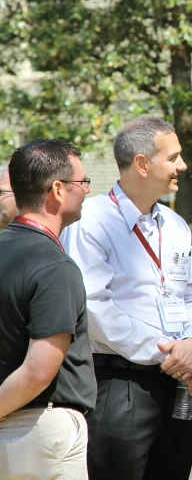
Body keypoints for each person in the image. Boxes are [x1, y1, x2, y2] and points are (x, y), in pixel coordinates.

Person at [60, 116, 192, 480]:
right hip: (119, 386)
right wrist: (170, 353)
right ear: (142, 164)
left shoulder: (175, 226)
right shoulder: (93, 221)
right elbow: (95, 308)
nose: (183, 165)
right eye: (174, 157)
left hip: (176, 383)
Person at [0, 140, 96, 478]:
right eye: (83, 183)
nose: (86, 191)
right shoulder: (54, 266)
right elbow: (38, 371)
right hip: (38, 429)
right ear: (58, 189)